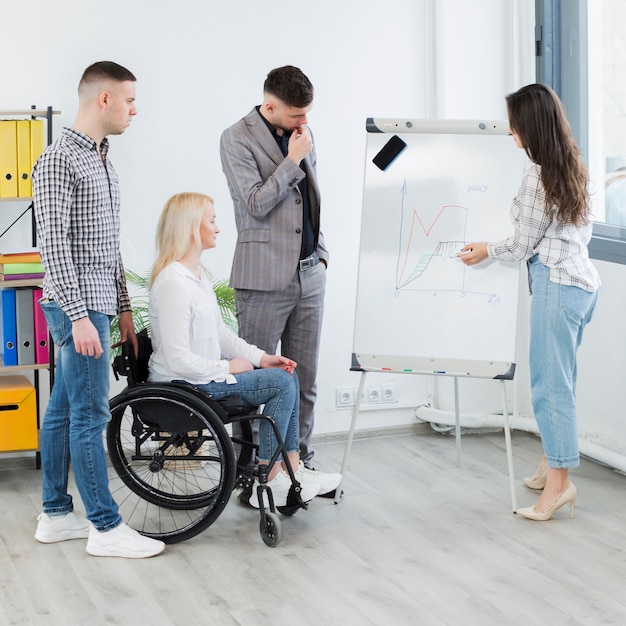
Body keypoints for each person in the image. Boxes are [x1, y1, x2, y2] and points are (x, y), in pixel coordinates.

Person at [32, 61, 165, 557]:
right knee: (89, 415)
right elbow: (55, 247)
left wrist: (124, 308)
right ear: (103, 99)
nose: (135, 108)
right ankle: (106, 529)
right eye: (129, 99)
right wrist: (82, 314)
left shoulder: (102, 159)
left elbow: (105, 247)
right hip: (77, 307)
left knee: (64, 411)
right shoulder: (58, 159)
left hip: (97, 303)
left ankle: (55, 515)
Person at [147, 191, 342, 508]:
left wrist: (262, 358)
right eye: (211, 220)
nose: (218, 228)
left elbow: (221, 334)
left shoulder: (197, 278)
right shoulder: (173, 284)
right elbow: (177, 358)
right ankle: (268, 476)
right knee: (280, 383)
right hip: (186, 385)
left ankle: (291, 468)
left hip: (202, 378)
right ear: (190, 227)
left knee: (285, 374)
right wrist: (228, 368)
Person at [459, 83, 600, 521]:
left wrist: (486, 248)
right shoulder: (572, 165)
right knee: (563, 382)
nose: (509, 132)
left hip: (557, 286)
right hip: (581, 284)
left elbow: (522, 244)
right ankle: (549, 462)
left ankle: (559, 485)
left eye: (514, 124)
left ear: (531, 126)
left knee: (549, 387)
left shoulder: (537, 175)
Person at [220, 66, 340, 495]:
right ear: (269, 106)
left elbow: (311, 199)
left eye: (307, 115)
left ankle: (299, 466)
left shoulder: (304, 133)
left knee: (303, 379)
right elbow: (255, 204)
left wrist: (320, 255)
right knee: (256, 380)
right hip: (262, 279)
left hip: (309, 275)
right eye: (295, 116)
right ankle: (253, 471)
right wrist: (292, 161)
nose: (303, 124)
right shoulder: (236, 138)